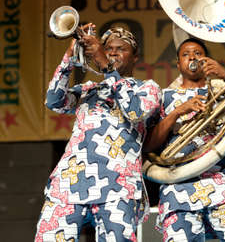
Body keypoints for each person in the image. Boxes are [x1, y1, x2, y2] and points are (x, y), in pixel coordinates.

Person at [35, 26, 161, 242]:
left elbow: (135, 110)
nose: (113, 52)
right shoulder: (89, 89)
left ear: (135, 57)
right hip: (68, 184)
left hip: (118, 188)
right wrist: (69, 57)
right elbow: (54, 101)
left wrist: (106, 65)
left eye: (120, 49)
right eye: (108, 49)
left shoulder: (147, 88)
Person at [144, 37, 225, 242]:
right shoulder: (164, 96)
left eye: (197, 53)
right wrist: (177, 112)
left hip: (224, 186)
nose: (192, 57)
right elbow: (148, 145)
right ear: (178, 64)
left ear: (207, 60)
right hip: (178, 189)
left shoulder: (224, 92)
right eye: (185, 54)